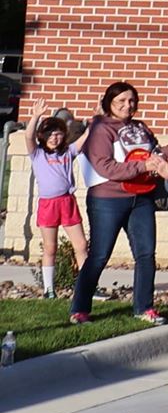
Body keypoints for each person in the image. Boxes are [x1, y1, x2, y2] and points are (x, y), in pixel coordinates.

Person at [70, 82, 168, 325]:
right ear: (109, 103)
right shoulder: (100, 129)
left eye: (131, 101)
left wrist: (165, 153)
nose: (127, 106)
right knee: (99, 255)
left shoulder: (140, 127)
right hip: (108, 198)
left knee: (146, 254)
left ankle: (144, 307)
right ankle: (80, 309)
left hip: (142, 197)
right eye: (121, 101)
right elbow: (104, 166)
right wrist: (144, 166)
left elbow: (150, 155)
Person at [27, 117, 87, 299]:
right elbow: (28, 136)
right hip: (48, 205)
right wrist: (35, 116)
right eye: (50, 134)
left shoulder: (68, 152)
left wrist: (99, 118)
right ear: (42, 136)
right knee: (50, 248)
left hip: (67, 202)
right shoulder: (37, 154)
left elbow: (86, 137)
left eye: (58, 134)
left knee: (81, 245)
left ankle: (87, 287)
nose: (54, 138)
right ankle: (49, 289)